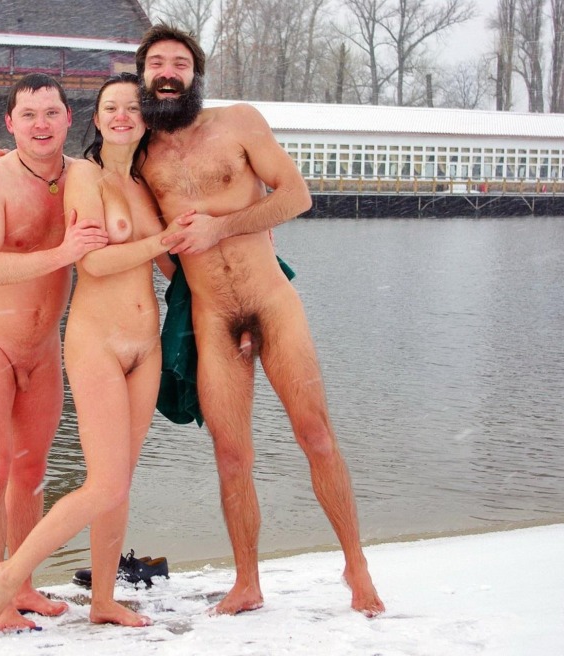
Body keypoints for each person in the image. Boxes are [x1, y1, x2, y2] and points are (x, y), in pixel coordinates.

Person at [135, 24, 386, 618]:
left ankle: (356, 566)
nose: (168, 72)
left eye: (179, 63)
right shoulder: (139, 154)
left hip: (272, 302)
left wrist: (220, 228)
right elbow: (96, 189)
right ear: (143, 75)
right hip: (213, 317)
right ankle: (247, 582)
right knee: (231, 456)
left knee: (315, 435)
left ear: (195, 75)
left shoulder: (238, 122)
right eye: (157, 63)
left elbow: (296, 195)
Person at [0, 73, 184, 636]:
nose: (121, 116)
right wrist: (163, 240)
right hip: (98, 341)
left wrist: (229, 241)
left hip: (146, 345)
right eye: (110, 107)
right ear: (94, 119)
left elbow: (173, 268)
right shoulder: (85, 176)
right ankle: (7, 575)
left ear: (146, 117)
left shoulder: (147, 182)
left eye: (132, 107)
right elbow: (92, 261)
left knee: (121, 481)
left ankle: (104, 599)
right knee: (103, 483)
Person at [0, 73, 111, 633]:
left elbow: (139, 176)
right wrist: (65, 251)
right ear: (9, 123)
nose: (40, 125)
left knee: (32, 469)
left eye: (50, 113)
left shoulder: (84, 176)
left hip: (42, 347)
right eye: (28, 114)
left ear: (69, 119)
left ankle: (22, 583)